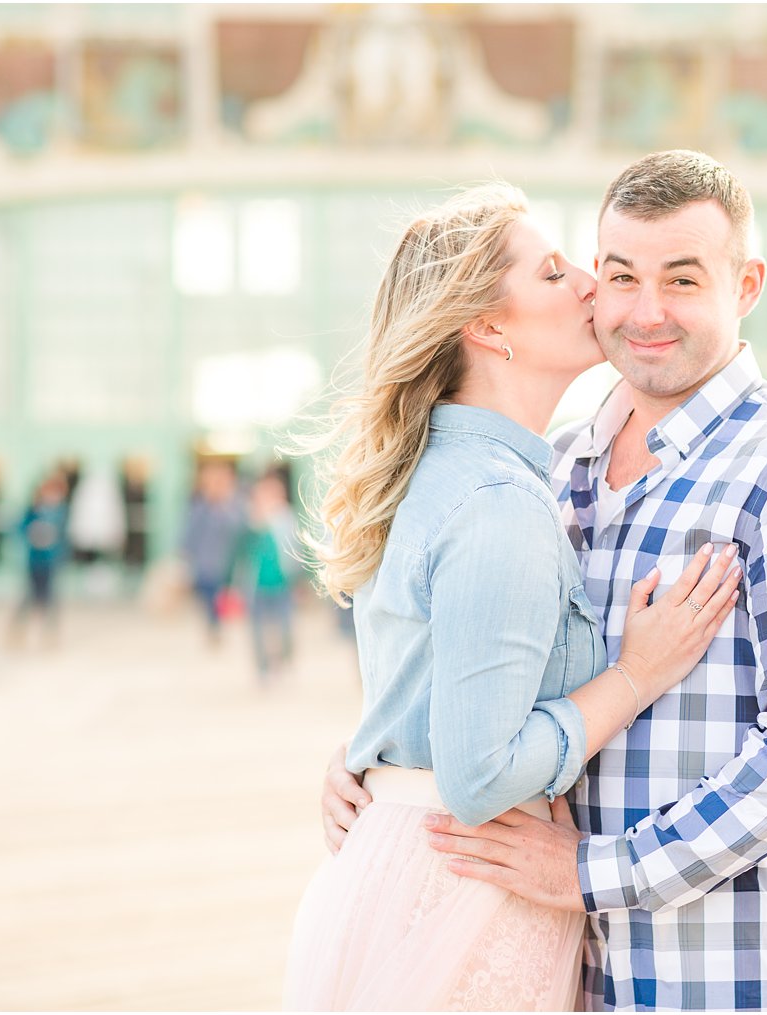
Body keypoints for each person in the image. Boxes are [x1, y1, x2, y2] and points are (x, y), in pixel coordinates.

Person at [324, 151, 767, 1012]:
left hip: (735, 983)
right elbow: (484, 680)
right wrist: (374, 762)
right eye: (620, 275)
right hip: (575, 978)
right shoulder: (555, 472)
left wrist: (599, 873)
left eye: (684, 279)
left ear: (747, 286)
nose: (645, 310)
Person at [283, 183, 742, 1010]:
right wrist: (635, 676)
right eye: (554, 273)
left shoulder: (470, 473)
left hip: (422, 864)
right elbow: (479, 771)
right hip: (463, 887)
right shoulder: (499, 500)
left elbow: (432, 695)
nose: (590, 288)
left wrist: (367, 757)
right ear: (489, 326)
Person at [238, 475, 299, 685]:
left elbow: (296, 549)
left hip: (282, 582)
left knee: (284, 626)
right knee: (257, 629)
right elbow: (242, 549)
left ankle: (283, 661)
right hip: (257, 585)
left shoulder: (286, 518)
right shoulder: (251, 520)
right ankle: (263, 668)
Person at [180, 461, 245, 647]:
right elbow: (189, 534)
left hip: (228, 564)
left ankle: (218, 627)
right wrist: (185, 556)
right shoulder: (201, 507)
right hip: (206, 564)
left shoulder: (234, 506)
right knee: (209, 598)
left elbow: (240, 530)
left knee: (224, 598)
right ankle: (214, 629)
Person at [10, 472, 69, 647]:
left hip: (52, 561)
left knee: (51, 599)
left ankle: (50, 636)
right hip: (35, 561)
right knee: (29, 597)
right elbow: (19, 528)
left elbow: (65, 537)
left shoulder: (62, 512)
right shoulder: (34, 510)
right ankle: (17, 633)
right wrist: (33, 532)